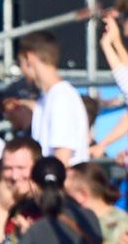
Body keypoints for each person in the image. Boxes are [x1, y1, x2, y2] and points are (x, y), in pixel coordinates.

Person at [16, 34, 89, 166]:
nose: (21, 70)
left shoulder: (61, 97)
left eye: (20, 62)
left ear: (29, 58)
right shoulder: (51, 98)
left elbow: (61, 161)